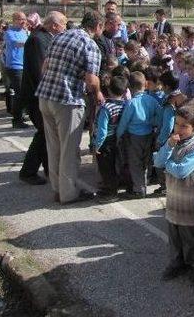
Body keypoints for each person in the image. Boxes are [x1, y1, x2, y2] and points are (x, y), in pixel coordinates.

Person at [36, 11, 104, 204]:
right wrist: (98, 91)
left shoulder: (60, 37)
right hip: (67, 100)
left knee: (54, 147)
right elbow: (92, 80)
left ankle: (58, 189)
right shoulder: (90, 45)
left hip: (46, 95)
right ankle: (69, 194)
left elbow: (45, 66)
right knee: (69, 150)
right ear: (97, 25)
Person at [153, 105, 194, 285]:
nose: (178, 129)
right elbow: (157, 161)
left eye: (183, 126)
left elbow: (181, 171)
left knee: (191, 237)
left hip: (189, 202)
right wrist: (168, 149)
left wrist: (166, 162)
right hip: (173, 200)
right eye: (176, 124)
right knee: (175, 235)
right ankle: (178, 262)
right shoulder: (173, 142)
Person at [19, 12, 67, 185]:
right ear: (54, 25)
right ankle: (28, 171)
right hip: (38, 96)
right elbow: (39, 71)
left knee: (47, 133)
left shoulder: (47, 38)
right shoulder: (37, 40)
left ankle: (49, 169)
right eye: (63, 24)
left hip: (44, 94)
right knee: (43, 133)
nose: (64, 28)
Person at [116, 71, 160, 198]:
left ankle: (138, 189)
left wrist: (118, 135)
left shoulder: (131, 103)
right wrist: (152, 123)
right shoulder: (152, 100)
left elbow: (124, 122)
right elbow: (160, 116)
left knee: (135, 163)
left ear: (129, 87)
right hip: (149, 134)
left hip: (134, 137)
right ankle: (143, 185)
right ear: (145, 84)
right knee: (145, 161)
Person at [93, 75, 128, 203]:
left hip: (105, 142)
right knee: (112, 165)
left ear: (109, 90)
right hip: (115, 139)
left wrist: (97, 145)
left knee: (106, 168)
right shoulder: (124, 105)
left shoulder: (106, 108)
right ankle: (109, 188)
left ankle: (111, 193)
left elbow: (102, 129)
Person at [3, 12, 29, 128]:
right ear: (14, 20)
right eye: (20, 19)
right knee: (20, 93)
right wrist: (32, 42)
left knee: (23, 92)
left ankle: (21, 114)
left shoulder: (24, 32)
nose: (23, 21)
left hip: (24, 66)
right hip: (14, 66)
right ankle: (17, 120)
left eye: (24, 19)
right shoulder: (9, 33)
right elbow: (18, 44)